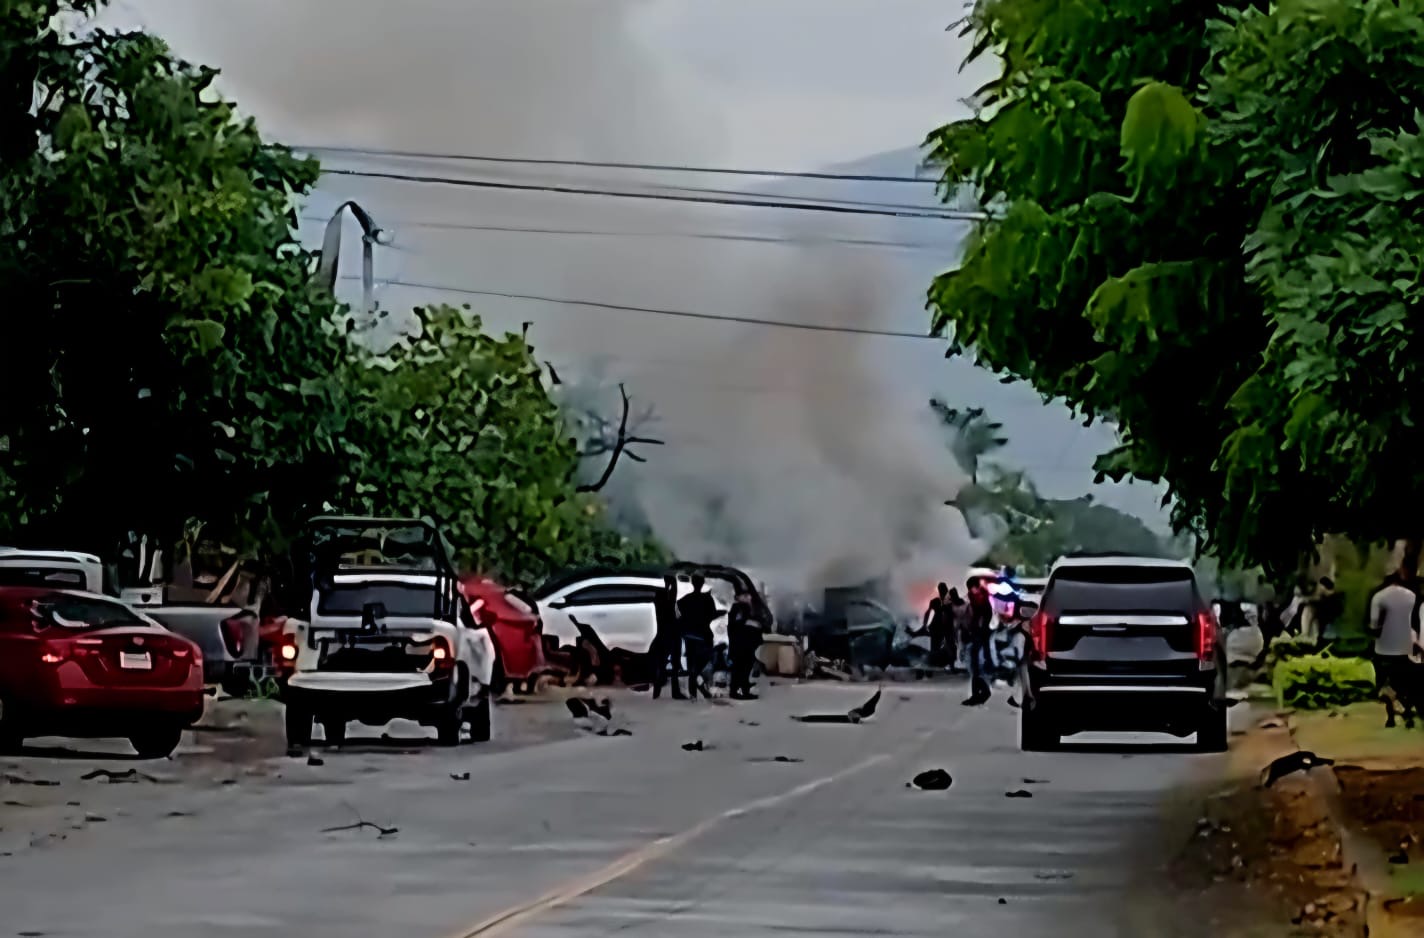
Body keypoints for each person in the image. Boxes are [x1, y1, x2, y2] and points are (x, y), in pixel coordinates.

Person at [1369, 563, 1422, 729]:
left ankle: (1391, 714)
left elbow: (1374, 624)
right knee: (1404, 680)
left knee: (1384, 682)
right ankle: (1406, 707)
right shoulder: (1411, 595)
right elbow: (1415, 621)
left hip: (1384, 648)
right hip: (1405, 646)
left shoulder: (1379, 596)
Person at [677, 572, 718, 700]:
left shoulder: (685, 599)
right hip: (703, 635)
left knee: (691, 664)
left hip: (689, 635)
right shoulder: (707, 599)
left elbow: (679, 611)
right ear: (702, 583)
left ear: (692, 583)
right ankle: (698, 686)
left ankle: (693, 693)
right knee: (704, 659)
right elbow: (712, 614)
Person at [650, 573, 685, 700]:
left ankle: (656, 692)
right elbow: (673, 595)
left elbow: (670, 595)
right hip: (672, 635)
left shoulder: (658, 603)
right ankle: (675, 692)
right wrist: (673, 582)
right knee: (675, 665)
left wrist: (668, 584)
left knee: (661, 664)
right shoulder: (669, 605)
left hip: (661, 635)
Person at [962, 575, 994, 706]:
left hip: (980, 634)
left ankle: (980, 693)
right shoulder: (979, 597)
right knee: (975, 666)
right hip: (979, 634)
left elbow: (983, 617)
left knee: (976, 665)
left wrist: (976, 629)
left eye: (971, 588)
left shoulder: (980, 599)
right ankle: (980, 692)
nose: (970, 590)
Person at [727, 588, 765, 699]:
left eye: (748, 595)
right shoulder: (738, 608)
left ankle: (743, 690)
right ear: (738, 597)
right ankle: (736, 691)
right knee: (740, 668)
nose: (748, 597)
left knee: (745, 667)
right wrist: (750, 622)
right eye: (745, 596)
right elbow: (737, 624)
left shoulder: (747, 608)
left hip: (746, 644)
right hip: (741, 644)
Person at [923, 582, 955, 669]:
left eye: (943, 589)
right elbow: (928, 612)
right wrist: (925, 625)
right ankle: (937, 663)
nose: (943, 592)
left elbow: (928, 613)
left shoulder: (949, 601)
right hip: (938, 627)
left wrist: (925, 624)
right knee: (937, 646)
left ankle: (949, 665)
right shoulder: (937, 601)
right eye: (942, 590)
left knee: (948, 645)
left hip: (945, 626)